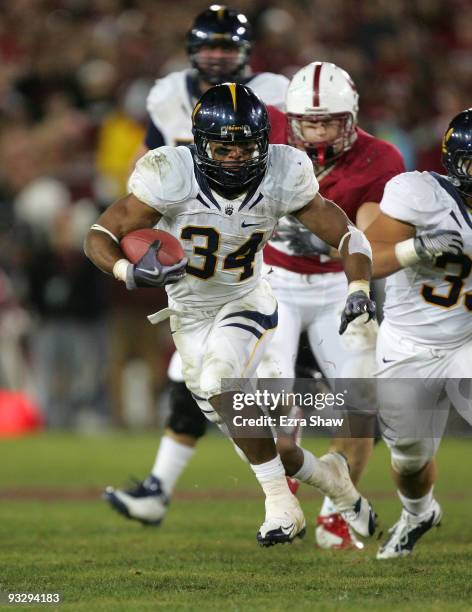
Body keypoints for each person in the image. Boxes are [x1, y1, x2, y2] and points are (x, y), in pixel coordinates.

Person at [85, 82, 377, 545]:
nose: (236, 159)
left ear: (264, 144)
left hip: (246, 300)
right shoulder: (168, 172)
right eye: (224, 148)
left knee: (222, 379)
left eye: (246, 147)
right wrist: (127, 270)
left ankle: (282, 509)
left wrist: (359, 285)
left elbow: (346, 235)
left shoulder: (284, 171)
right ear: (199, 144)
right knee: (265, 441)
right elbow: (100, 232)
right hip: (188, 313)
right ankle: (336, 484)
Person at [104, 4, 291, 522]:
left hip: (260, 247)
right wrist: (145, 224)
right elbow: (147, 165)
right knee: (200, 380)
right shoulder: (167, 95)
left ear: (245, 51)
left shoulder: (274, 93)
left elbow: (288, 171)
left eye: (226, 46)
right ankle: (162, 490)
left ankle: (310, 481)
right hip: (198, 250)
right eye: (209, 45)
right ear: (192, 49)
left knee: (239, 379)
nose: (216, 54)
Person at [259, 61, 406, 549]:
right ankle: (290, 482)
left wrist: (356, 282)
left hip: (334, 285)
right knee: (268, 402)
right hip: (273, 279)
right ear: (290, 116)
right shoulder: (266, 131)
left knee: (360, 401)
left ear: (352, 117)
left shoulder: (379, 158)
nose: (318, 131)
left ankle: (336, 512)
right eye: (310, 121)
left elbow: (368, 240)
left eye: (330, 121)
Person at [364, 108, 471, 558]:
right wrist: (416, 247)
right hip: (409, 342)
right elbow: (367, 255)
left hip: (467, 340)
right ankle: (418, 512)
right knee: (408, 457)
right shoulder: (419, 192)